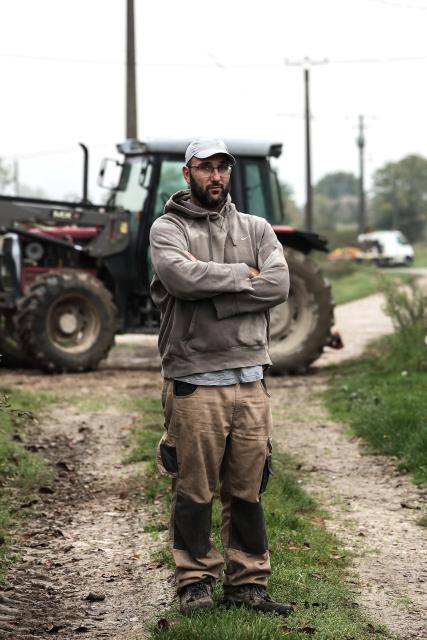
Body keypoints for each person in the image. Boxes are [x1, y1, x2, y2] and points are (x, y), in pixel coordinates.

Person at [149, 138, 291, 616]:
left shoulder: (257, 227)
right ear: (187, 173)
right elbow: (181, 279)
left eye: (222, 168)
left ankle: (248, 583)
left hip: (251, 378)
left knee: (248, 489)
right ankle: (194, 581)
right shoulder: (166, 229)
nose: (216, 176)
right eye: (205, 167)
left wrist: (218, 297)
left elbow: (279, 283)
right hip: (194, 380)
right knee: (193, 488)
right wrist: (242, 277)